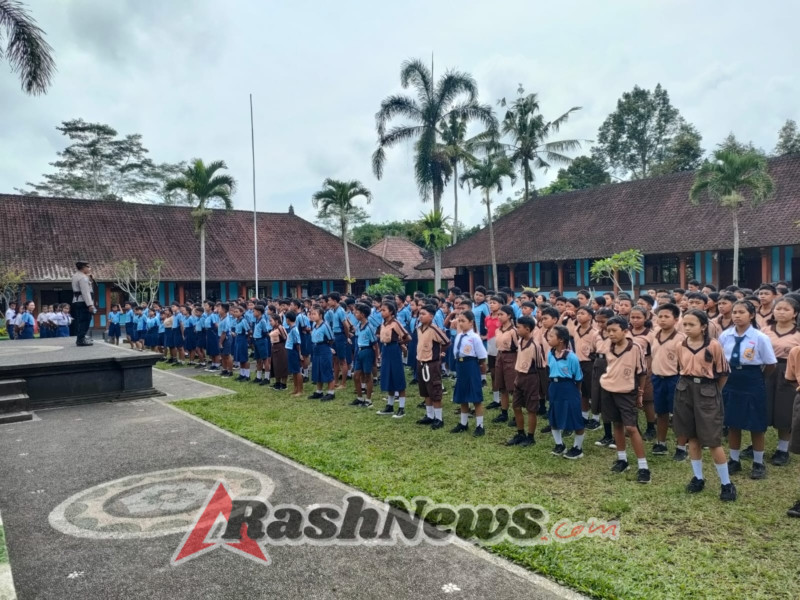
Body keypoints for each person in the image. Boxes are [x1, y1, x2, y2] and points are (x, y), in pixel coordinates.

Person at [673, 309, 735, 501]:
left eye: (692, 325)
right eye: (685, 325)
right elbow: (680, 368)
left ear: (703, 327)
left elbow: (723, 373)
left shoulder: (714, 345)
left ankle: (726, 484)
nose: (688, 328)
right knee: (692, 436)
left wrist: (712, 391)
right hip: (685, 389)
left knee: (712, 439)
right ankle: (698, 477)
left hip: (707, 390)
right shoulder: (680, 345)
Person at [720, 300, 777, 480]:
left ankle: (758, 463)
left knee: (756, 423)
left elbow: (770, 364)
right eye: (735, 312)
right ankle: (734, 460)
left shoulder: (760, 337)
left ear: (751, 315)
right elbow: (722, 360)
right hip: (731, 378)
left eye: (741, 312)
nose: (736, 315)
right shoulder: (725, 335)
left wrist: (758, 378)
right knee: (733, 421)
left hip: (752, 378)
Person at [601, 316, 651, 483]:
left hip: (627, 391)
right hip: (609, 389)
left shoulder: (635, 347)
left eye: (614, 330)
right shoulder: (608, 346)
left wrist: (640, 393)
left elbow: (642, 372)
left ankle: (643, 466)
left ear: (625, 331)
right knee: (617, 424)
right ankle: (622, 459)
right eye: (608, 331)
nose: (611, 334)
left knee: (631, 427)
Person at [763, 296, 800, 466]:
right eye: (778, 309)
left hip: (789, 373)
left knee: (784, 411)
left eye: (786, 309)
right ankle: (757, 446)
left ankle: (782, 449)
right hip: (766, 370)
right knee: (764, 408)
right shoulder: (765, 330)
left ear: (795, 314)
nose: (781, 312)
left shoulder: (797, 334)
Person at [650, 303, 688, 459]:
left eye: (667, 316)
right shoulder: (655, 334)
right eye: (660, 316)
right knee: (660, 412)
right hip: (657, 377)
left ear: (676, 319)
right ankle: (661, 443)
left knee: (679, 413)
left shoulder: (681, 338)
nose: (663, 320)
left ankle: (681, 447)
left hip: (675, 379)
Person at [546, 325, 586, 459]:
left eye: (552, 336)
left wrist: (577, 392)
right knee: (554, 416)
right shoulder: (550, 353)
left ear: (561, 340)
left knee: (575, 418)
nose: (548, 338)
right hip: (554, 387)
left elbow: (578, 377)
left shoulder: (571, 357)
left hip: (568, 388)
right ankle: (559, 444)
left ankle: (577, 448)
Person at [450, 309, 488, 437]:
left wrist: (475, 364)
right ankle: (463, 423)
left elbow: (482, 356)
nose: (460, 324)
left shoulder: (474, 337)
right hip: (460, 366)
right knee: (463, 395)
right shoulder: (459, 336)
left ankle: (479, 425)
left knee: (475, 397)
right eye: (459, 321)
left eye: (463, 321)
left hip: (471, 365)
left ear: (471, 323)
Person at [505, 315, 542, 446]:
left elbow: (540, 366)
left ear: (527, 329)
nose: (517, 329)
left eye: (519, 327)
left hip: (531, 377)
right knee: (516, 406)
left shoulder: (535, 345)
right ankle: (520, 433)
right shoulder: (520, 341)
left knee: (531, 409)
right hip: (519, 376)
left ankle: (530, 437)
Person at [414, 304, 449, 428]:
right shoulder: (419, 328)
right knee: (425, 391)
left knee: (434, 390)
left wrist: (441, 353)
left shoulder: (434, 329)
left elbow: (446, 341)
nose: (420, 317)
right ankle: (429, 415)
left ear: (432, 316)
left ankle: (439, 418)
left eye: (424, 314)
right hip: (421, 362)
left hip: (432, 364)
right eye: (420, 314)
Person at [377, 301, 410, 418]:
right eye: (381, 310)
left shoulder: (395, 323)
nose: (382, 312)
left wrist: (399, 343)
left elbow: (407, 337)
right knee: (388, 377)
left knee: (398, 377)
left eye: (384, 310)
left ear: (391, 312)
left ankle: (401, 407)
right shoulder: (383, 323)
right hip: (385, 350)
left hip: (394, 350)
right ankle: (390, 406)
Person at [492, 305, 519, 425]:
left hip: (511, 358)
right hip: (500, 357)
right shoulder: (498, 330)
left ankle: (516, 414)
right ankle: (504, 412)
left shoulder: (514, 331)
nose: (499, 317)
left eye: (501, 314)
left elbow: (519, 348)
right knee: (502, 387)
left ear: (509, 316)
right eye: (498, 314)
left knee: (512, 388)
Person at [351, 303, 378, 407]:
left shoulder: (369, 327)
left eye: (357, 312)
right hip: (359, 351)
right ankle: (359, 397)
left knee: (367, 376)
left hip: (367, 351)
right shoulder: (358, 325)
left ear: (362, 314)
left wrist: (376, 357)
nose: (355, 314)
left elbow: (374, 343)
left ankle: (368, 400)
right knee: (356, 375)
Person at [308, 306, 336, 401]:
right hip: (315, 349)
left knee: (326, 369)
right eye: (311, 314)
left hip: (323, 348)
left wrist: (328, 348)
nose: (312, 316)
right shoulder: (314, 325)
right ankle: (319, 391)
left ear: (320, 315)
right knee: (317, 369)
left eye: (314, 314)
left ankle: (331, 392)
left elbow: (331, 339)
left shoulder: (325, 325)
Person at [71, 261, 97, 346]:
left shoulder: (76, 276)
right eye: (88, 267)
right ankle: (81, 339)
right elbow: (85, 292)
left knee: (81, 320)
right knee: (85, 320)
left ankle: (81, 337)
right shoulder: (83, 278)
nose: (89, 268)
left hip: (77, 300)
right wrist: (90, 304)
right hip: (83, 301)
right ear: (83, 268)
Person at [284, 311, 303, 396]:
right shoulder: (291, 328)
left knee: (297, 371)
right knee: (294, 371)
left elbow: (297, 343)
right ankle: (295, 388)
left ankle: (300, 390)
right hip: (290, 350)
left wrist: (299, 354)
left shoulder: (294, 329)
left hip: (294, 350)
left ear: (288, 320)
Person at [268, 313, 288, 390]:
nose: (270, 322)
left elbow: (285, 337)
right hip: (274, 348)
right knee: (276, 366)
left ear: (276, 321)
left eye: (271, 321)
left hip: (280, 348)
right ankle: (277, 383)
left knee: (282, 366)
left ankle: (283, 384)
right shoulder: (273, 328)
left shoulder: (280, 328)